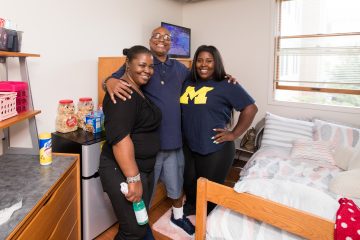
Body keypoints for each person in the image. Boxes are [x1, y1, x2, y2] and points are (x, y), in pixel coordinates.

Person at [104, 26, 196, 236]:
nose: (161, 40)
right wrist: (107, 81)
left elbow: (199, 79)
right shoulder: (140, 63)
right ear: (150, 40)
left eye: (166, 37)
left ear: (171, 43)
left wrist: (224, 78)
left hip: (174, 142)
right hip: (148, 149)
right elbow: (114, 79)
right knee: (144, 195)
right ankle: (140, 228)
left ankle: (178, 216)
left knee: (176, 187)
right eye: (157, 36)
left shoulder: (180, 68)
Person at [180, 45, 258, 215]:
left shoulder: (226, 84)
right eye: (199, 60)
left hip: (215, 147)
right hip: (189, 144)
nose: (203, 64)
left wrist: (234, 134)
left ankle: (208, 221)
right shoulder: (188, 81)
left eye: (209, 61)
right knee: (189, 182)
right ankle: (193, 207)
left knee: (210, 190)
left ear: (216, 63)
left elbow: (250, 108)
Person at [98, 45, 161, 240]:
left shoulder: (137, 89)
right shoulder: (122, 94)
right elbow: (120, 140)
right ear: (127, 64)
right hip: (124, 171)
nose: (147, 70)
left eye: (151, 66)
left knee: (140, 223)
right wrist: (133, 179)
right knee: (133, 230)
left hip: (143, 168)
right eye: (142, 65)